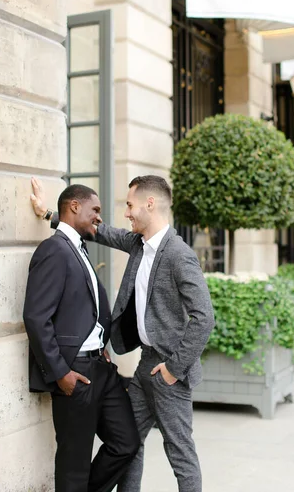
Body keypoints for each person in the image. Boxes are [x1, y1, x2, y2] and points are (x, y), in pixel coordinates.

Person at [31, 175, 215, 492]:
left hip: (168, 369)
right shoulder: (137, 244)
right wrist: (49, 213)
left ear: (150, 203)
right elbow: (99, 231)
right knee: (130, 445)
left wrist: (174, 368)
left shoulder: (178, 254)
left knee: (180, 453)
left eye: (130, 205)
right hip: (145, 365)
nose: (126, 212)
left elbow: (204, 316)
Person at [23, 184, 140, 492]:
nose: (98, 218)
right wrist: (60, 373)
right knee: (74, 462)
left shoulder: (78, 247)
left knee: (126, 442)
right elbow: (36, 317)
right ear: (74, 207)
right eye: (95, 211)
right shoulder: (54, 250)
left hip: (101, 368)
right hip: (75, 372)